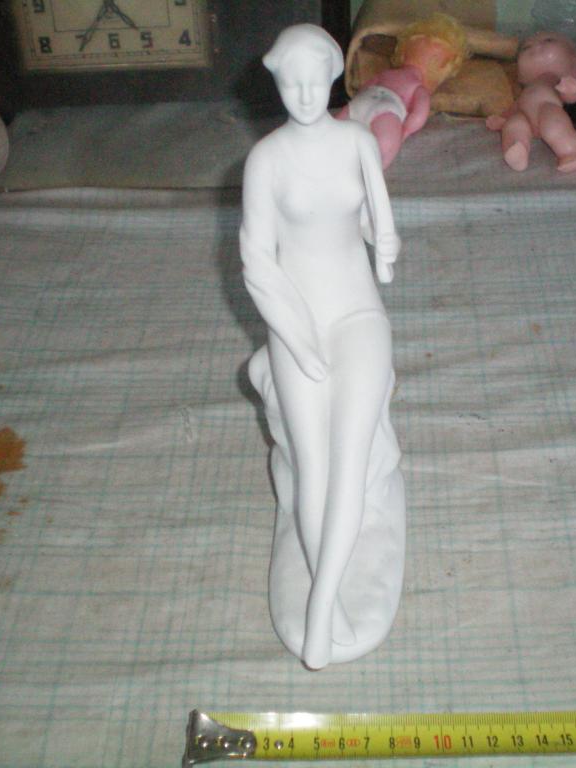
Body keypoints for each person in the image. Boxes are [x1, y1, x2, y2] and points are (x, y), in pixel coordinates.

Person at [240, 24, 402, 670]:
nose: (306, 95)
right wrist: (296, 338)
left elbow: (379, 216)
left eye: (316, 81)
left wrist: (386, 246)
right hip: (296, 320)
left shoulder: (357, 142)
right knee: (311, 465)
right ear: (276, 82)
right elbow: (257, 261)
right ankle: (325, 613)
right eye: (292, 83)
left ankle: (322, 601)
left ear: (335, 77)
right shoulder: (266, 160)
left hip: (357, 312)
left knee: (351, 457)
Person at [338, 13, 468, 168]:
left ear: (403, 53)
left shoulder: (387, 74)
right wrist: (405, 130)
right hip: (388, 109)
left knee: (336, 127)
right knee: (383, 147)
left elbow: (366, 87)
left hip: (365, 99)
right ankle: (369, 170)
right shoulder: (418, 87)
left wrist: (357, 102)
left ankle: (327, 148)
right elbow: (419, 114)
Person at [486, 31, 576, 172]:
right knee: (514, 125)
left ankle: (571, 154)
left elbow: (573, 98)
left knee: (555, 127)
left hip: (547, 108)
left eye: (548, 40)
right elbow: (516, 105)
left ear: (575, 63)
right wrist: (503, 119)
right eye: (526, 48)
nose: (535, 46)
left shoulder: (556, 81)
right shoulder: (525, 91)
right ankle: (517, 151)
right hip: (524, 114)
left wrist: (571, 90)